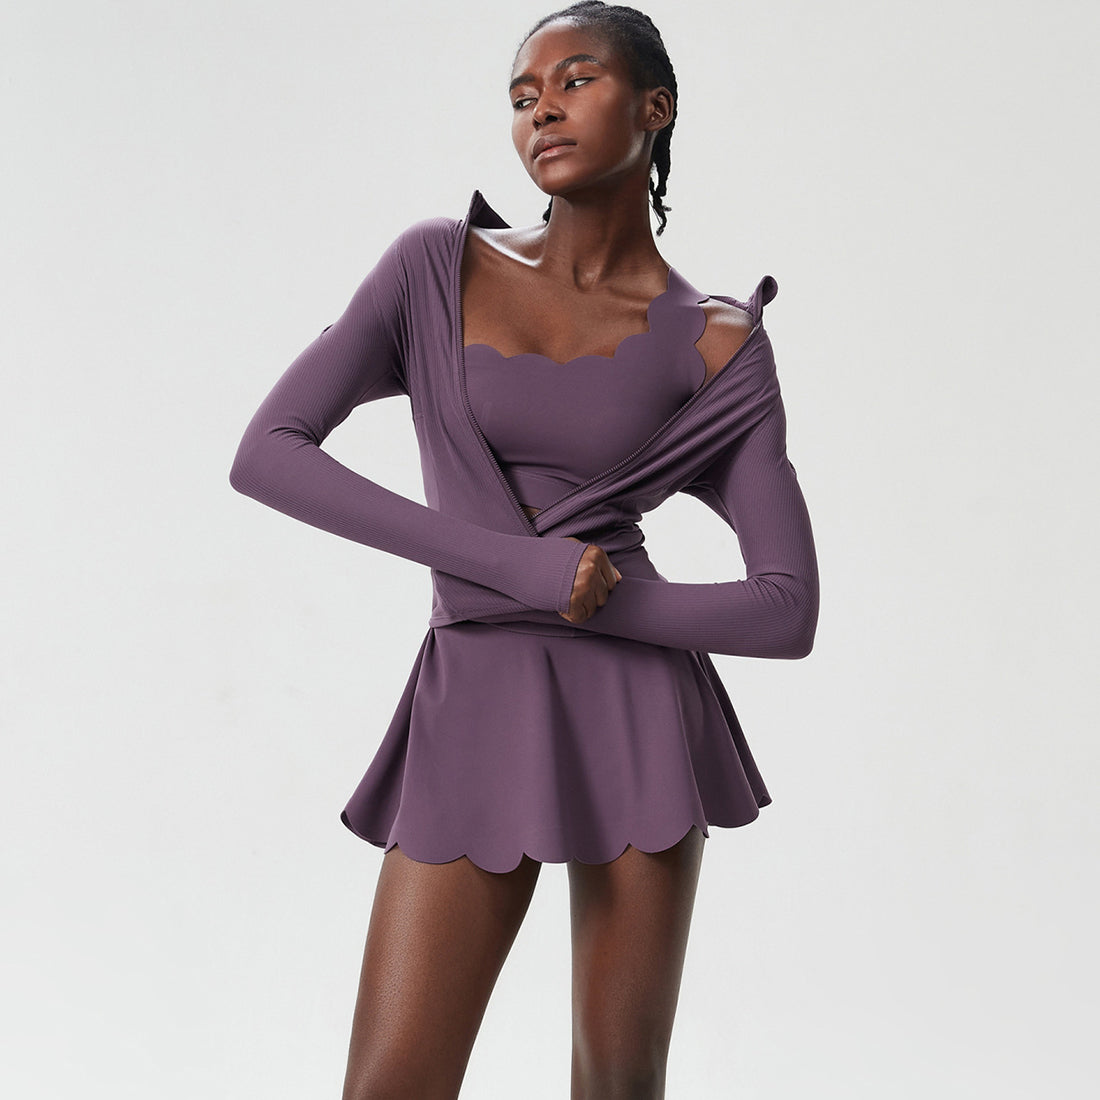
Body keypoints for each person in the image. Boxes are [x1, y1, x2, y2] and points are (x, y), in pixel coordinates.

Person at [229, 2, 819, 1096]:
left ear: (655, 107)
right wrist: (522, 570)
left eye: (575, 80)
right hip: (475, 694)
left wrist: (599, 599)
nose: (541, 108)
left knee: (617, 1081)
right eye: (520, 95)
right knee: (392, 1081)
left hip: (641, 713)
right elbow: (268, 453)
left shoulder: (717, 339)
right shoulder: (432, 267)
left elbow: (786, 608)